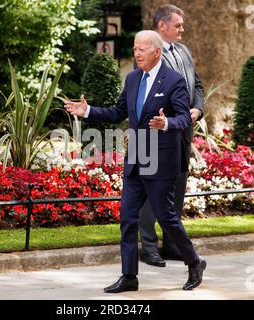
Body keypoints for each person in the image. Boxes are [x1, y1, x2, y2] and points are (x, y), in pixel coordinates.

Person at [64, 30, 206, 293]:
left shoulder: (173, 81)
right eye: (135, 48)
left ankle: (194, 262)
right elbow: (119, 112)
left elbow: (185, 118)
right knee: (128, 219)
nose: (136, 53)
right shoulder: (131, 79)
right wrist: (88, 111)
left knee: (167, 218)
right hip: (136, 157)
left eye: (142, 49)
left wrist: (167, 123)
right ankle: (129, 276)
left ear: (156, 51)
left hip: (161, 159)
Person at [139, 4, 205, 267]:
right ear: (161, 26)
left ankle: (172, 245)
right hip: (157, 131)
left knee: (177, 188)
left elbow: (196, 84)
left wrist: (197, 109)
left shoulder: (184, 51)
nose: (182, 29)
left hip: (183, 133)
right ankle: (149, 247)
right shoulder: (147, 53)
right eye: (177, 25)